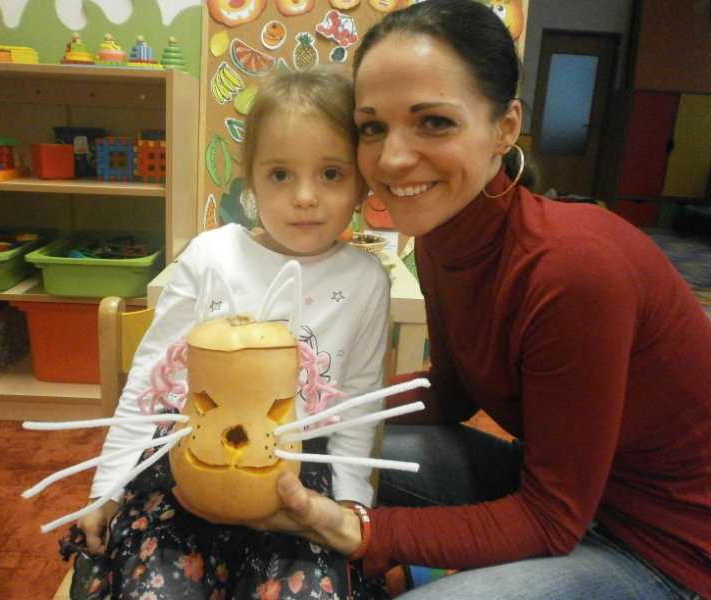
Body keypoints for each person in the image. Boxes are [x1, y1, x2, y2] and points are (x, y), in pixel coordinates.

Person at [240, 1, 711, 599]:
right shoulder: (440, 236)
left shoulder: (572, 269)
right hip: (557, 485)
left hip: (664, 549)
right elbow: (453, 389)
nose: (392, 159)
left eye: (434, 122)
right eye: (372, 127)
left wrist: (358, 530)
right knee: (310, 450)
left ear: (505, 128)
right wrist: (315, 409)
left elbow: (551, 518)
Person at [59, 66, 392, 600]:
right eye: (280, 174)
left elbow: (356, 409)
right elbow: (149, 384)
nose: (305, 196)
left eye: (331, 173)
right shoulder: (210, 254)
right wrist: (107, 490)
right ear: (252, 179)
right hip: (186, 469)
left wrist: (349, 513)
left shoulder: (366, 279)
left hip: (298, 479)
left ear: (361, 182)